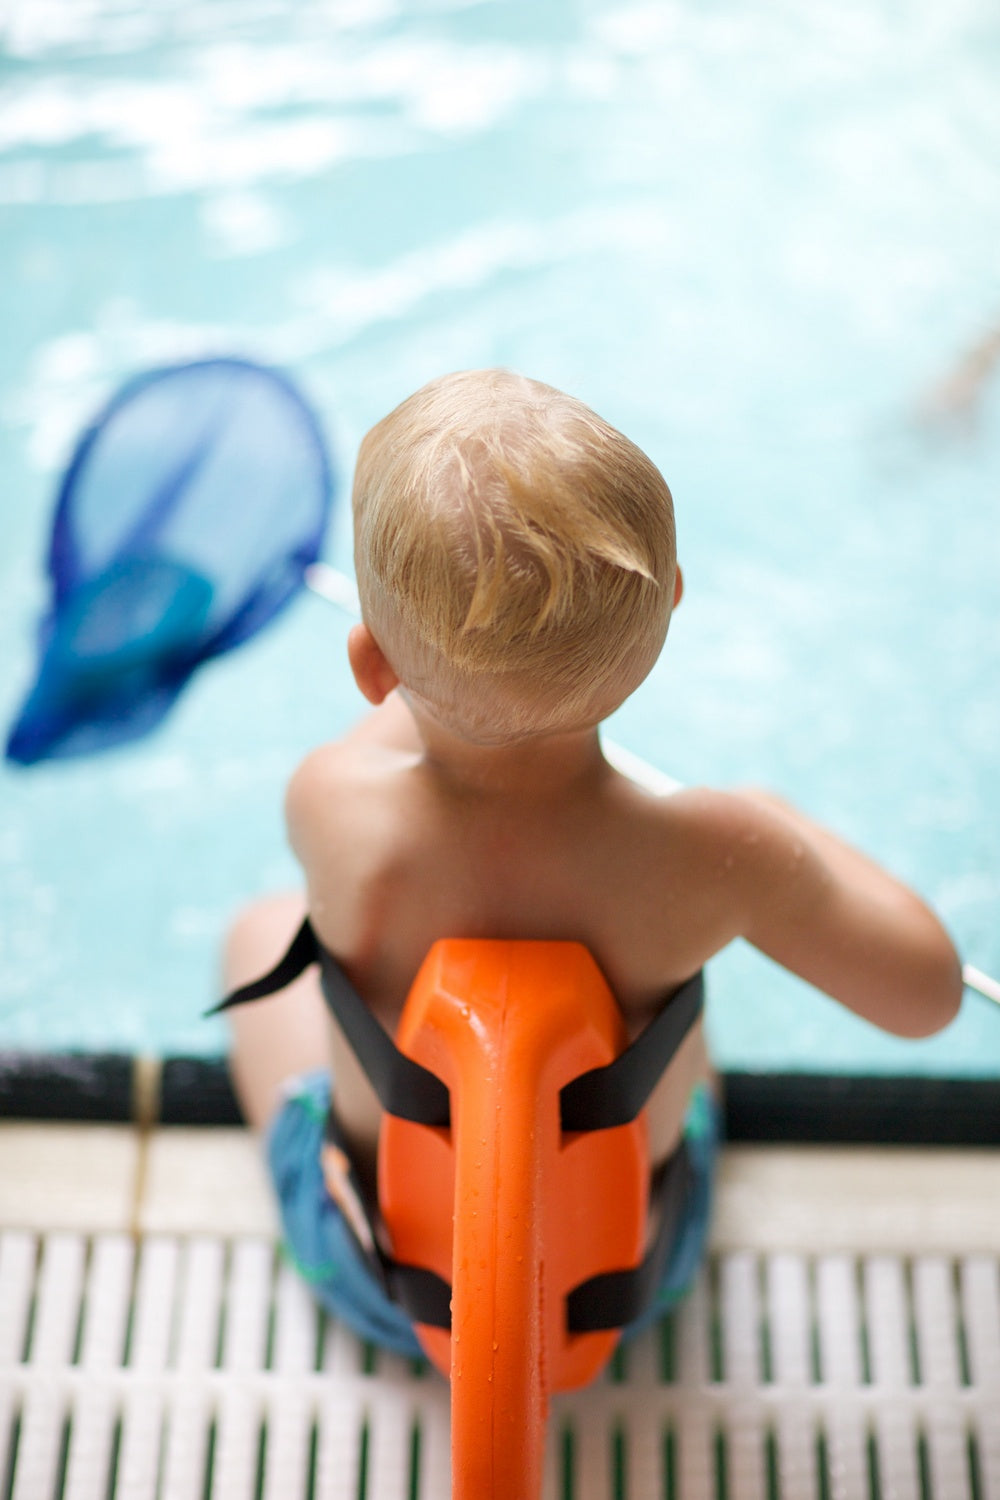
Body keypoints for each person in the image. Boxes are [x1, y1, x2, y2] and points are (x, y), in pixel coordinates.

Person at [222, 368, 963, 1355]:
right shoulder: (717, 855)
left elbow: (396, 733)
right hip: (635, 1271)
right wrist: (784, 833)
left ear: (369, 666)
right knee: (679, 1016)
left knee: (260, 930)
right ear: (670, 613)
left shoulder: (329, 801)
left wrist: (426, 664)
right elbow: (926, 998)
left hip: (386, 1280)